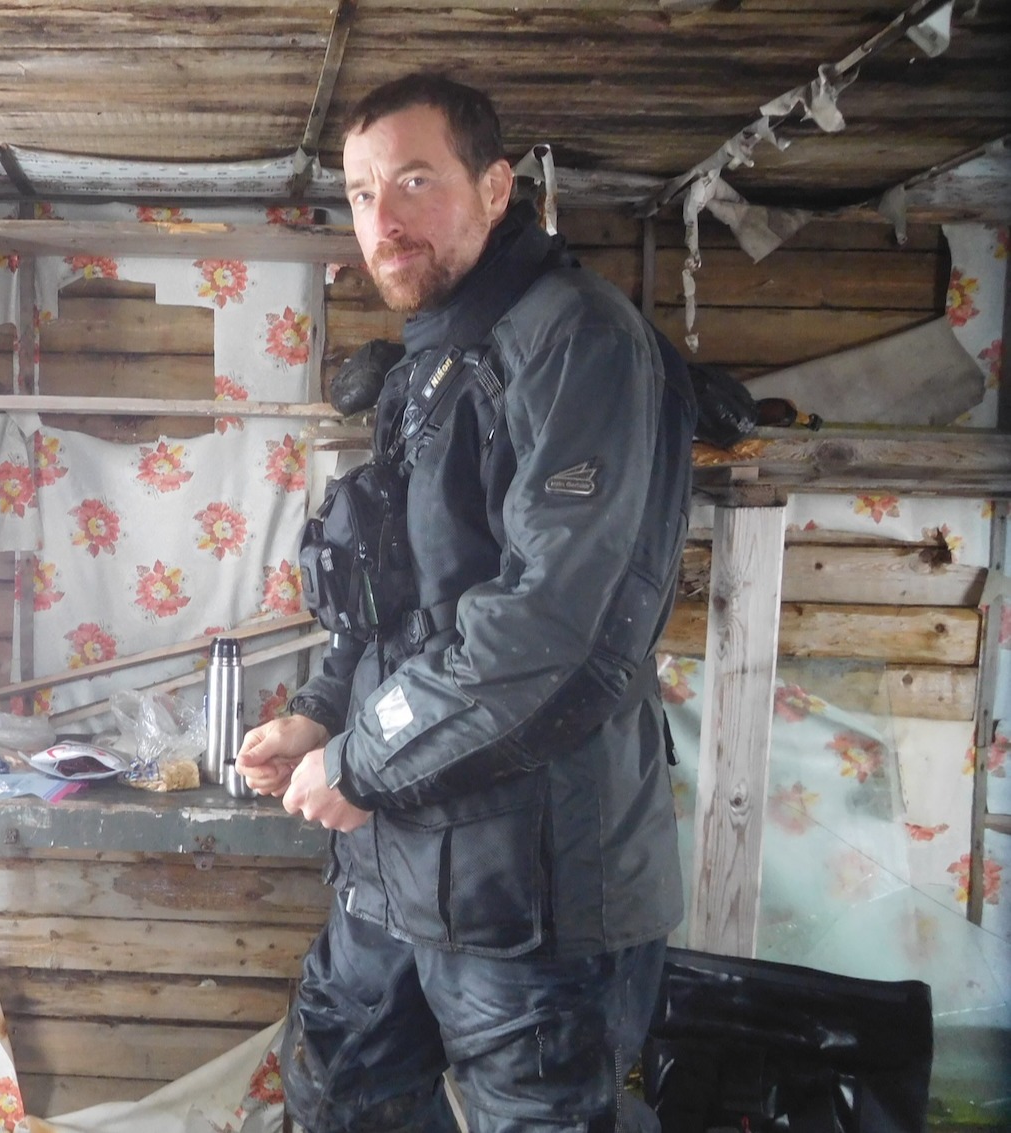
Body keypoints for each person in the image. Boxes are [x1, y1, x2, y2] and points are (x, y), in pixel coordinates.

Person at [237, 72, 695, 1132]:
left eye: (411, 180)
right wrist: (316, 709)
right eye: (358, 194)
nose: (381, 221)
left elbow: (545, 623)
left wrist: (356, 760)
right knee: (341, 1096)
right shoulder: (432, 362)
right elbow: (395, 600)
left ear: (494, 188)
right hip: (395, 867)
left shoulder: (574, 340)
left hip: (529, 895)